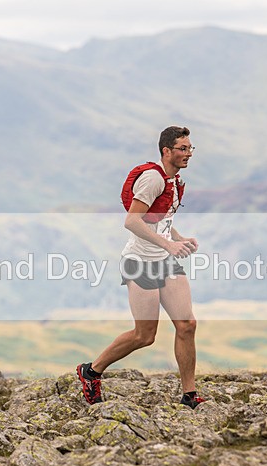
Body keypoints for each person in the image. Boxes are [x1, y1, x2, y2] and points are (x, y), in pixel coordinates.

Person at [77, 126, 205, 409]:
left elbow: (160, 218)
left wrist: (178, 239)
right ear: (166, 151)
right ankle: (91, 371)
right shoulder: (152, 179)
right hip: (140, 263)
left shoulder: (173, 180)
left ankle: (190, 395)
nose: (189, 154)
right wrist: (168, 245)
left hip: (165, 262)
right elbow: (132, 221)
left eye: (190, 148)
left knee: (187, 325)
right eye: (183, 149)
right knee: (144, 335)